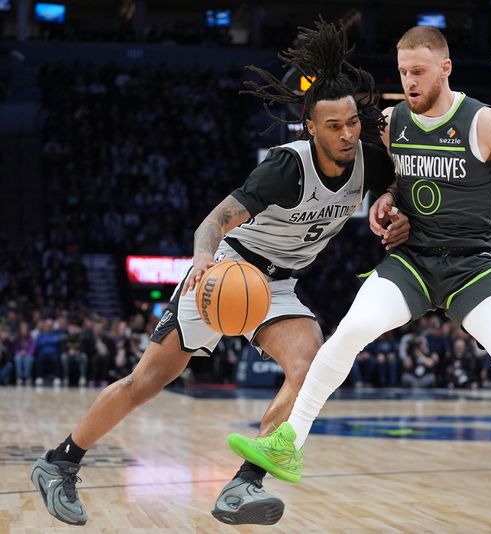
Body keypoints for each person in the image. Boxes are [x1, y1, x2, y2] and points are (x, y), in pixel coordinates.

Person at [226, 26, 491, 520]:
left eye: (418, 71)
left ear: (446, 69)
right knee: (351, 330)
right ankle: (289, 441)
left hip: (473, 265)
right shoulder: (391, 122)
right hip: (414, 260)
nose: (409, 81)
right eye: (403, 72)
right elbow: (388, 181)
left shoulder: (487, 124)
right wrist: (385, 199)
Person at [30, 20, 409, 527]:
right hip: (227, 271)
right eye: (334, 126)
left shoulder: (370, 162)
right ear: (310, 127)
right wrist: (204, 260)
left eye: (352, 123)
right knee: (147, 381)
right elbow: (213, 221)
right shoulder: (286, 168)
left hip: (278, 285)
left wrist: (392, 201)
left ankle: (242, 486)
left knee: (310, 365)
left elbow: (404, 180)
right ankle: (60, 462)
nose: (346, 134)